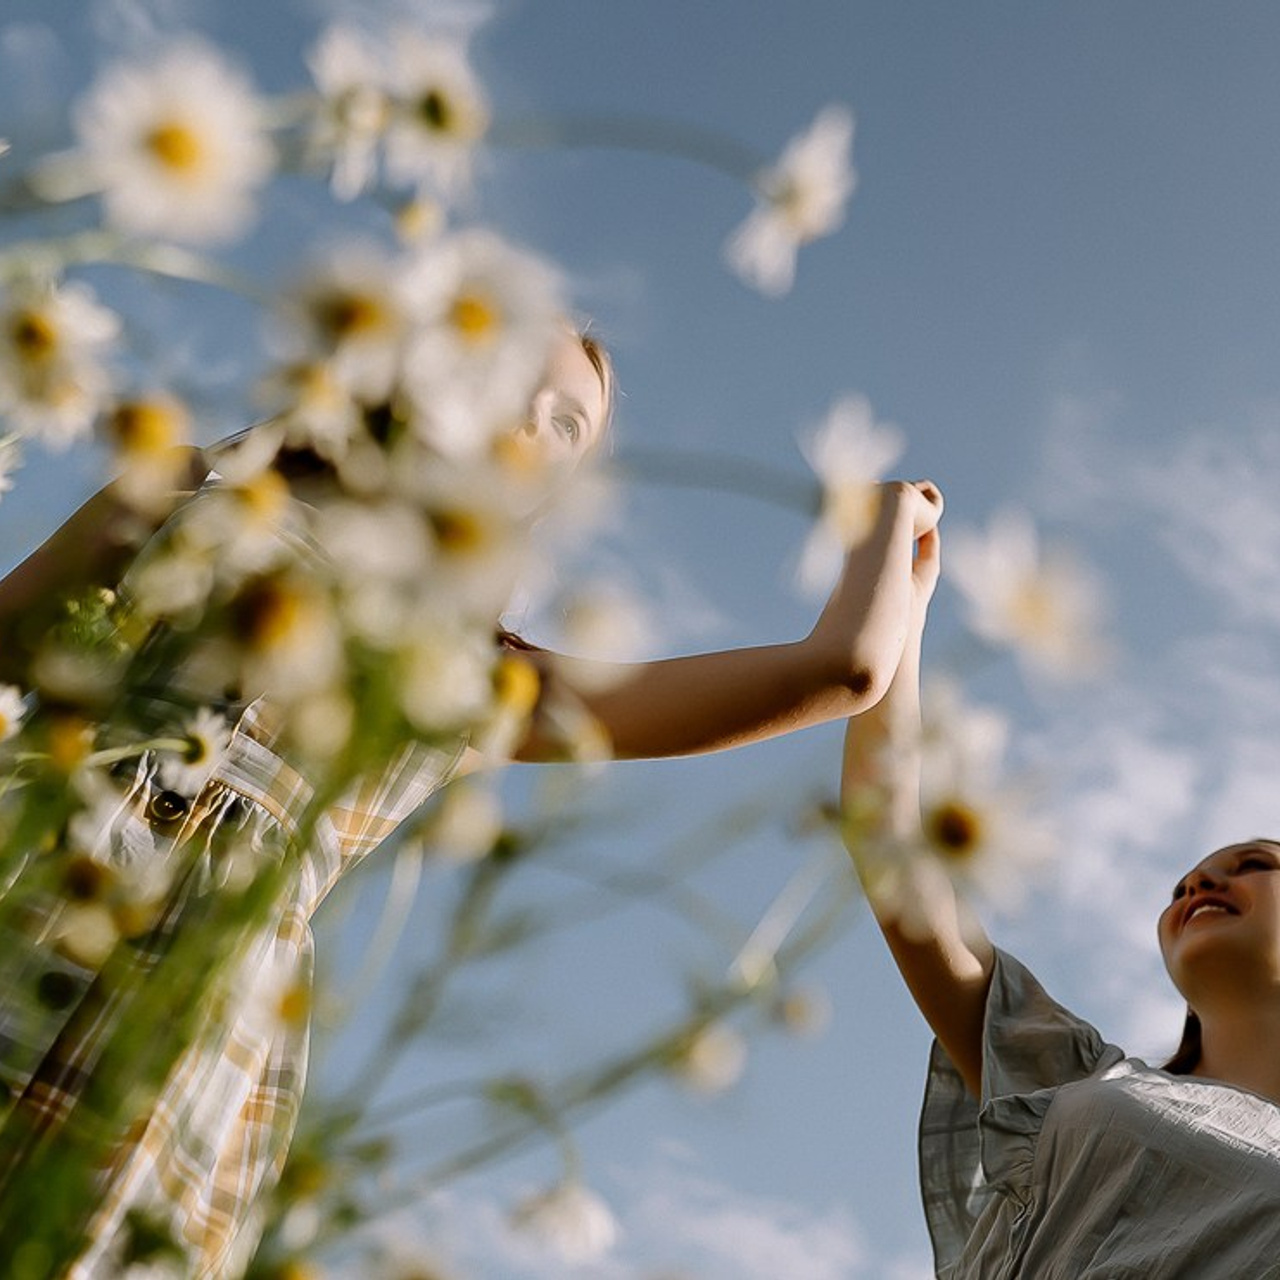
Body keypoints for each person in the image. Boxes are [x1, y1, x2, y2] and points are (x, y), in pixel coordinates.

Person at [0, 326, 943, 1278]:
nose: (527, 426)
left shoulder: (480, 681)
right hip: (29, 855)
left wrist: (889, 534)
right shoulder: (188, 491)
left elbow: (842, 668)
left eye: (566, 425)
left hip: (197, 994)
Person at [840, 515, 1280, 1278]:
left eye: (1255, 864)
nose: (1202, 883)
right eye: (1183, 885)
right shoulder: (1071, 1075)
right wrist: (897, 613)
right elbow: (894, 851)